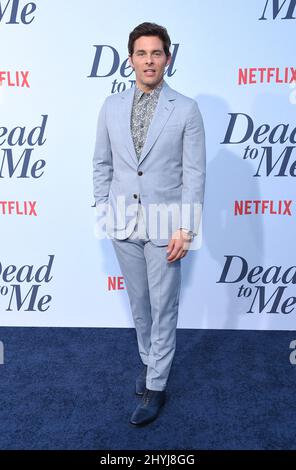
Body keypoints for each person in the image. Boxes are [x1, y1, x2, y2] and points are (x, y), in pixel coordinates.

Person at [93, 22, 206, 426]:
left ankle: (156, 384)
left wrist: (187, 227)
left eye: (156, 53)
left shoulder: (187, 109)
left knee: (164, 307)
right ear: (131, 59)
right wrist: (102, 209)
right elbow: (102, 163)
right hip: (122, 222)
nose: (149, 60)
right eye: (141, 53)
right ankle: (149, 362)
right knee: (140, 306)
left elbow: (194, 174)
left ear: (167, 59)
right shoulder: (111, 105)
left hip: (167, 225)